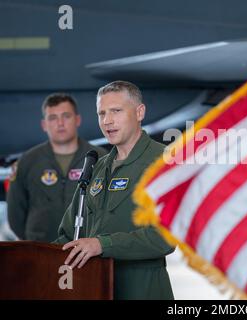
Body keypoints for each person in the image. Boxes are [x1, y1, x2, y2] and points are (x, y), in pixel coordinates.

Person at [55, 81, 174, 300]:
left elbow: (164, 237)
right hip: (95, 288)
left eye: (116, 111)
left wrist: (103, 244)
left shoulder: (164, 162)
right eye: (101, 113)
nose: (107, 121)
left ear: (140, 112)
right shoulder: (97, 168)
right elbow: (67, 235)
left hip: (143, 291)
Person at [7, 93, 106, 242]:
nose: (60, 123)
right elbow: (15, 213)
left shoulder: (100, 157)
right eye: (52, 118)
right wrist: (33, 239)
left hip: (86, 251)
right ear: (44, 125)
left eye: (66, 116)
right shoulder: (27, 161)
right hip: (40, 250)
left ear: (77, 120)